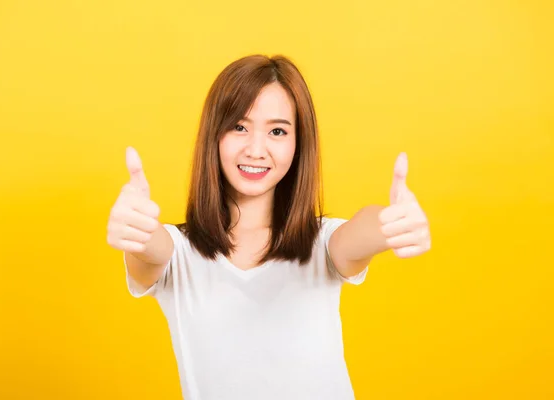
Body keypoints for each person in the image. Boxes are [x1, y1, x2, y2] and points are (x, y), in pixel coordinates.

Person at [106, 54, 431, 400]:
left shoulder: (321, 244)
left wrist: (389, 225)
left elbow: (358, 234)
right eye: (239, 127)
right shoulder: (179, 254)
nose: (256, 149)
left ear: (298, 143)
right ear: (214, 135)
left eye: (277, 131)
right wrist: (135, 229)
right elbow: (150, 250)